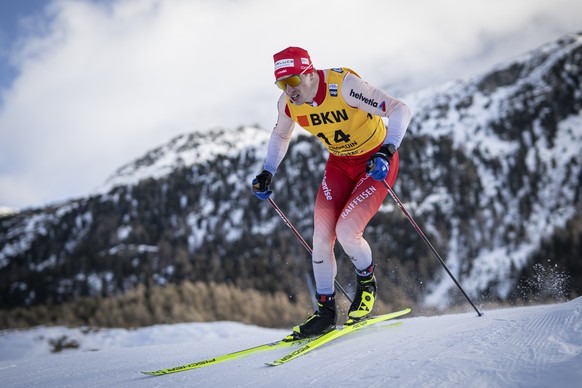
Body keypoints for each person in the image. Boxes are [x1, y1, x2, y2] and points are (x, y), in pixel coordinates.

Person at [252, 46, 411, 339]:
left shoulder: (344, 86)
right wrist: (267, 171)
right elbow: (280, 135)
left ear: (310, 73)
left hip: (375, 161)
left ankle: (367, 286)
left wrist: (388, 151)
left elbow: (400, 108)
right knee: (322, 237)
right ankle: (325, 312)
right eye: (281, 84)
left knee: (348, 231)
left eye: (293, 81)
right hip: (339, 164)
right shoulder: (288, 104)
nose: (289, 90)